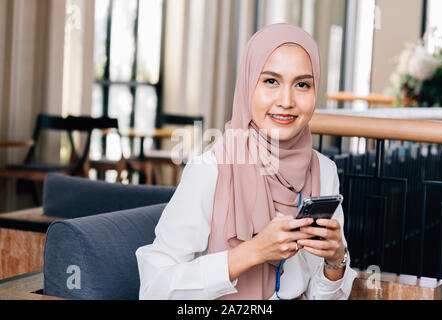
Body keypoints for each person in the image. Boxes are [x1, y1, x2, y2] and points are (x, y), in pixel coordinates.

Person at [136, 23, 357, 300]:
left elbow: (320, 296)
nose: (286, 101)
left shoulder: (323, 171)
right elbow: (154, 290)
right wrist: (254, 251)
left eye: (302, 84)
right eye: (270, 81)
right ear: (247, 84)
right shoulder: (211, 170)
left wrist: (335, 261)